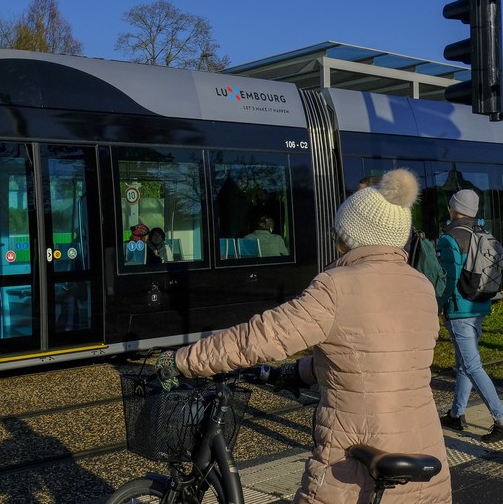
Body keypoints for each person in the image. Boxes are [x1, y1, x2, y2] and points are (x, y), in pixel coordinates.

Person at [155, 169, 451, 503]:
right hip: (427, 459)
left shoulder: (338, 286)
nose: (336, 239)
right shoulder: (421, 287)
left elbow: (262, 336)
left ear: (351, 237)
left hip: (354, 468)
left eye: (339, 232)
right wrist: (297, 372)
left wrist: (183, 360)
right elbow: (373, 358)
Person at [437, 189, 503, 443]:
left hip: (459, 310)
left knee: (472, 365)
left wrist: (440, 306)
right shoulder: (485, 234)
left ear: (454, 209)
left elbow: (448, 279)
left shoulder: (450, 237)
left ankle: (499, 418)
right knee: (465, 363)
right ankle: (457, 413)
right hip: (479, 306)